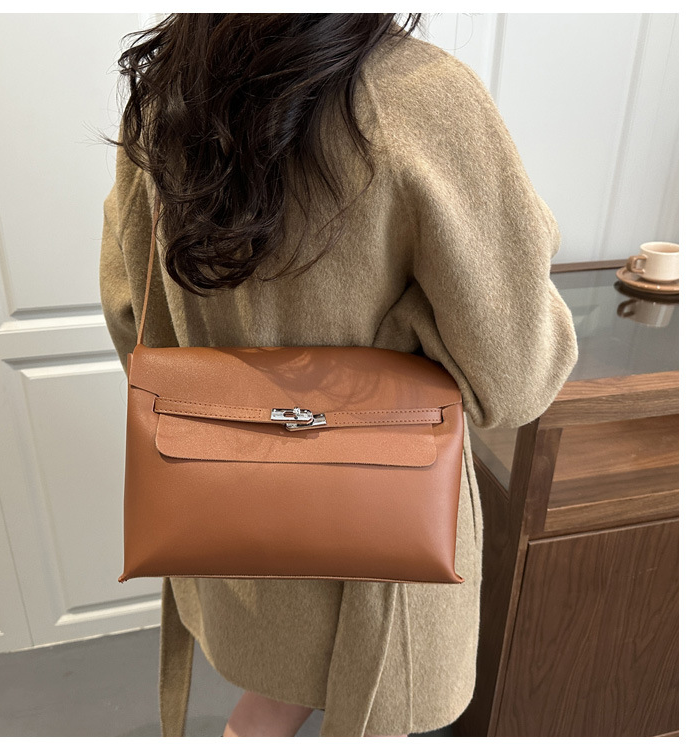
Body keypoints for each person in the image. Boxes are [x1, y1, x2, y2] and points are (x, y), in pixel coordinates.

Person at [99, 13, 578, 737]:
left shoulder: (169, 91)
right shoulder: (420, 95)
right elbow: (516, 377)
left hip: (229, 526)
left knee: (264, 708)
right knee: (364, 710)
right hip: (386, 544)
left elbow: (129, 315)